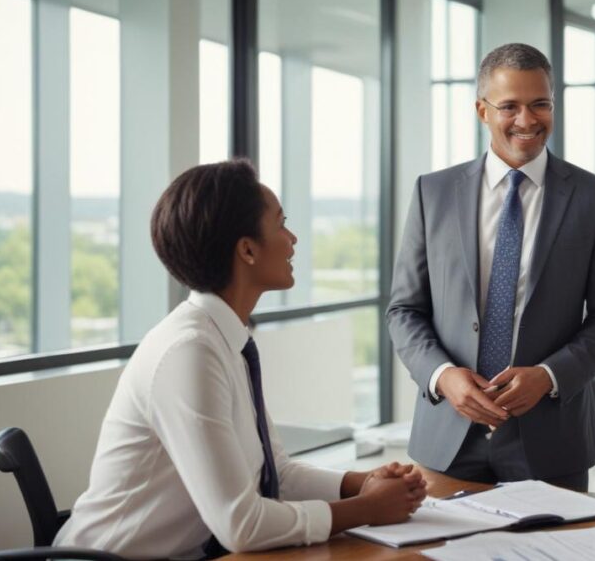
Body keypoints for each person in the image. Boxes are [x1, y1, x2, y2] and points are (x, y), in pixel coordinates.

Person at [55, 160, 426, 558]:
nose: (293, 238)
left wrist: (361, 483)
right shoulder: (189, 353)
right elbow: (242, 525)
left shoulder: (225, 340)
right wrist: (365, 509)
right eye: (281, 224)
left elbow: (274, 473)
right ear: (247, 249)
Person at [387, 43, 595, 491]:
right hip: (448, 437)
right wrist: (443, 377)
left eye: (540, 104)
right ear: (482, 110)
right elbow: (404, 311)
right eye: (510, 106)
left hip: (553, 439)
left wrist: (549, 376)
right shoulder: (433, 193)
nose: (527, 119)